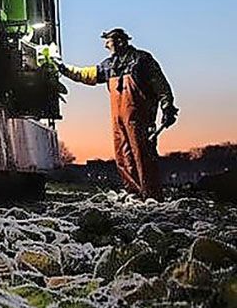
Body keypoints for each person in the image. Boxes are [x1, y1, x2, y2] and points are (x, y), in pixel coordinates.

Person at [59, 28, 178, 198]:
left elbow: (160, 85)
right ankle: (133, 193)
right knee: (123, 155)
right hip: (119, 119)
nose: (106, 45)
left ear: (120, 41)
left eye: (109, 41)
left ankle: (151, 196)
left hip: (140, 118)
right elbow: (86, 74)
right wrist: (64, 69)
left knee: (143, 155)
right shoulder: (108, 65)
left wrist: (168, 107)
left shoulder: (142, 60)